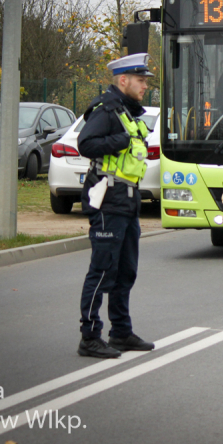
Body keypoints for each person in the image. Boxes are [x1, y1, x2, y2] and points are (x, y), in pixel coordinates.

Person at [76, 52, 156, 359]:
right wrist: (118, 142)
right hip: (108, 201)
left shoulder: (127, 111)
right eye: (140, 80)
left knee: (125, 271)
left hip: (128, 201)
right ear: (123, 80)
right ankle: (89, 336)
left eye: (145, 81)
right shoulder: (106, 109)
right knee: (102, 270)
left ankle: (120, 332)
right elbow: (86, 143)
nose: (144, 86)